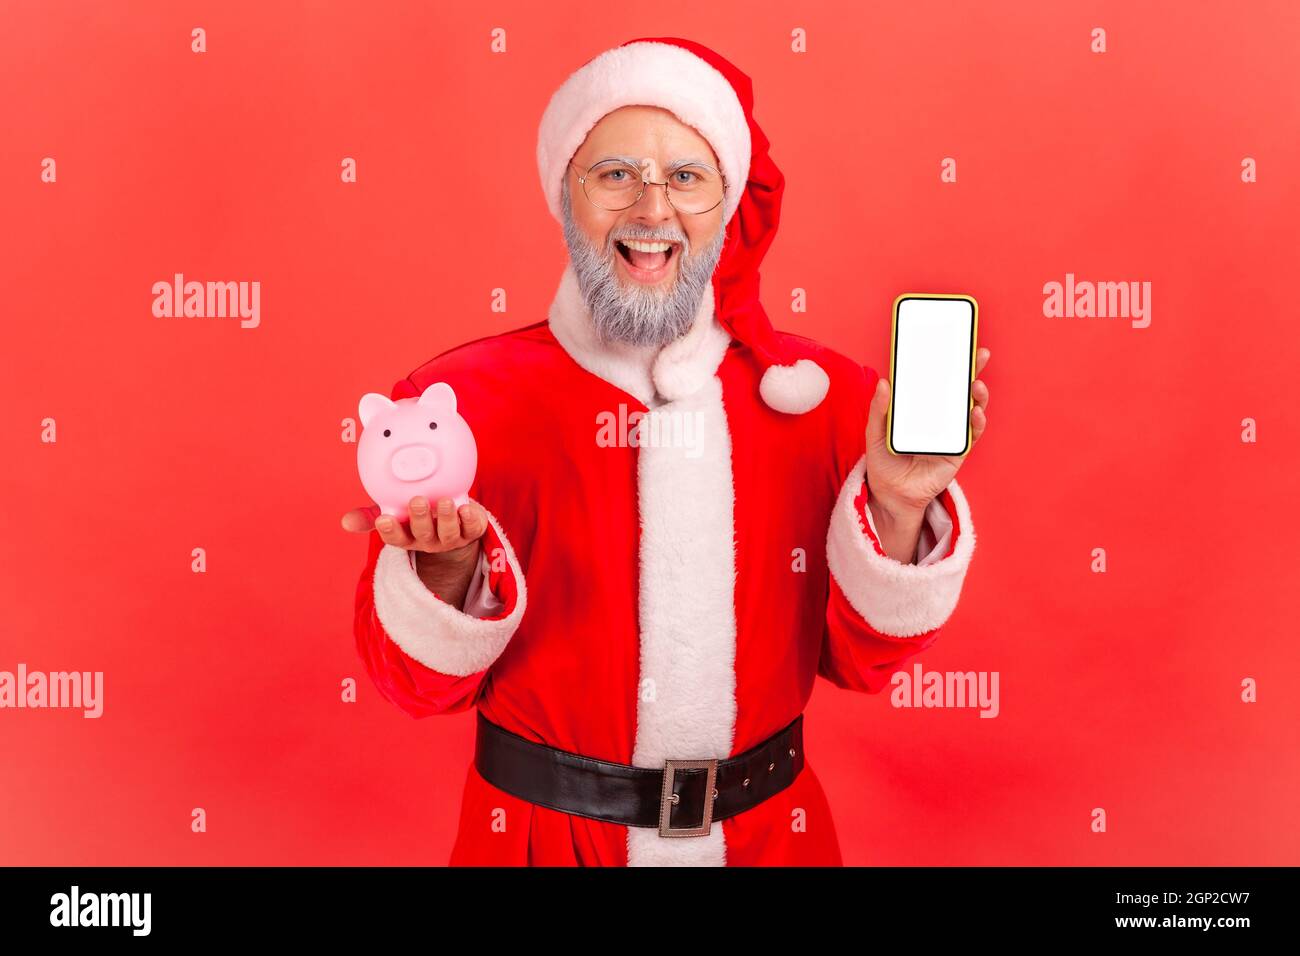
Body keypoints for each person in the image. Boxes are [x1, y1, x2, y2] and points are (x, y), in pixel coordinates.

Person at [342, 36, 990, 866]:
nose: (653, 212)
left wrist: (899, 506)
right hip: (543, 845)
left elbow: (865, 665)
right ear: (564, 194)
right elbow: (411, 687)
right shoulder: (456, 404)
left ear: (726, 202)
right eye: (616, 175)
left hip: (770, 842)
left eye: (686, 177)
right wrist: (441, 571)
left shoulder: (823, 397)